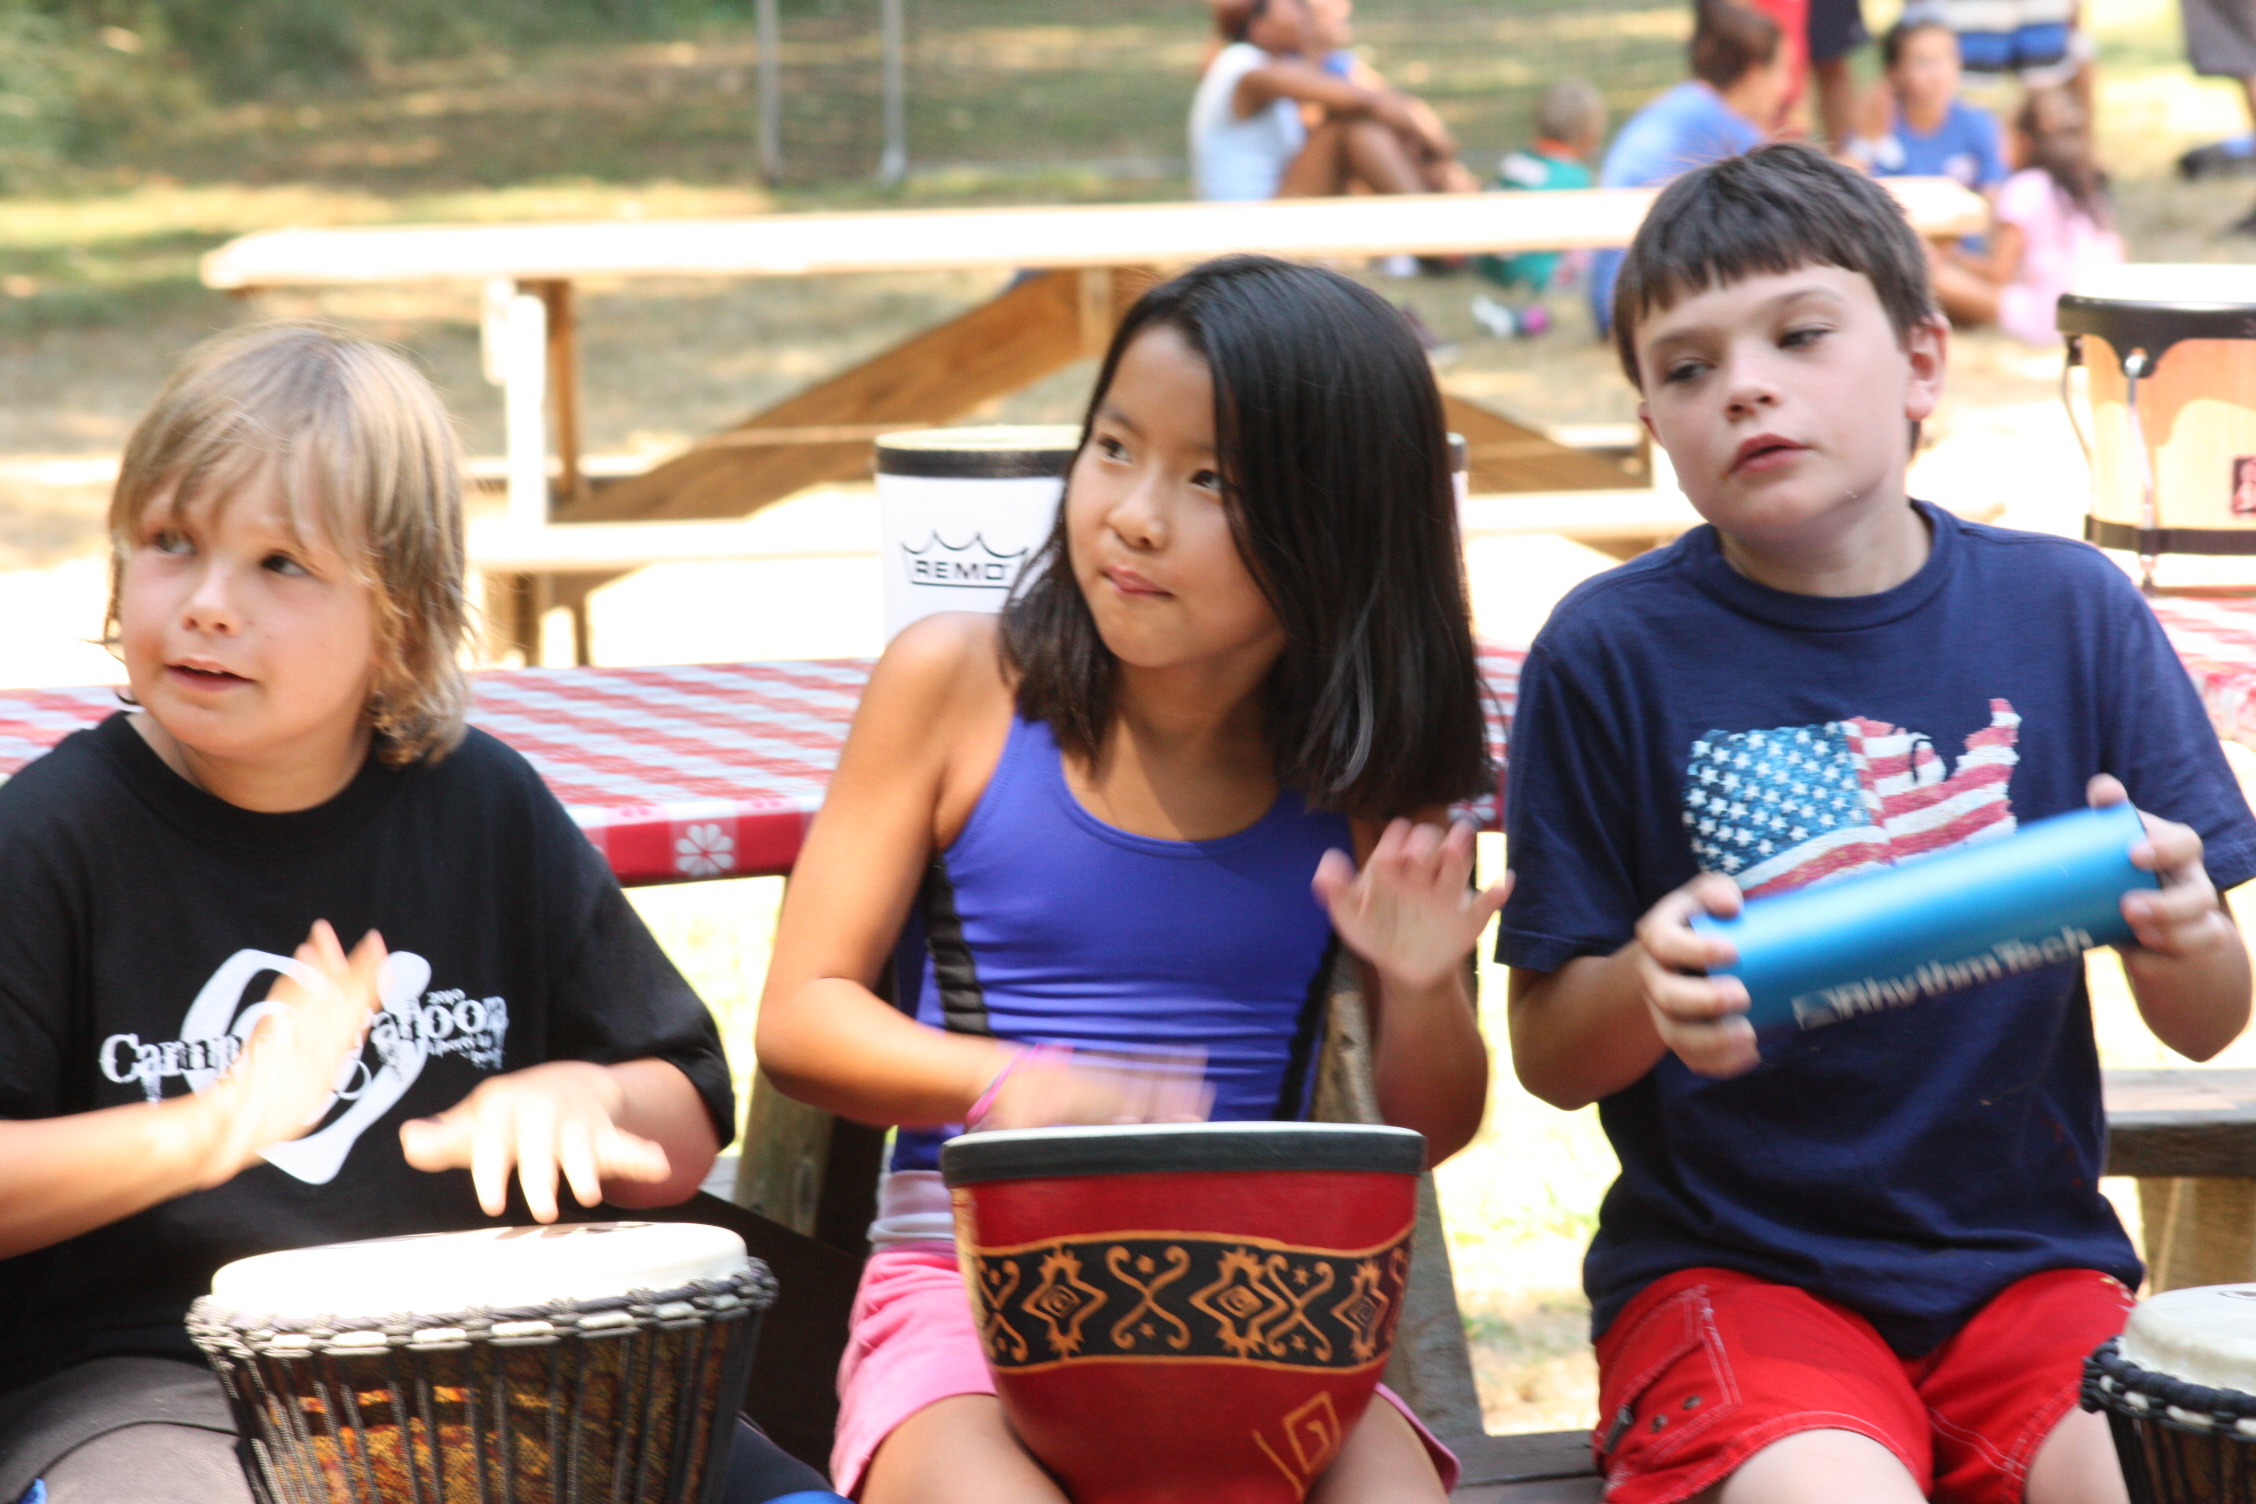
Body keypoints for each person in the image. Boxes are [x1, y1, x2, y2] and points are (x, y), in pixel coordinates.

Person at [1502, 140, 2256, 1504]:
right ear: (1654, 430)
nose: (1744, 383)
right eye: (1686, 368)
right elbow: (1554, 1055)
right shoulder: (1608, 653)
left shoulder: (2068, 613)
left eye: (1798, 334)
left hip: (2026, 1274)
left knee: (2146, 1480)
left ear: (1920, 364)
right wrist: (1651, 988)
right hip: (1732, 1279)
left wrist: (2184, 925)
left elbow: (2209, 1020)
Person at [0, 325, 833, 1504]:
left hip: (512, 1363)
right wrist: (213, 1126)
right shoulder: (51, 836)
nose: (208, 605)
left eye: (280, 563)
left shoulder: (482, 803)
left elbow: (684, 1117)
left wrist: (590, 1096)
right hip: (162, 1387)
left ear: (400, 618)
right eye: (171, 544)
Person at [755, 255, 1506, 1504]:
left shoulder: (1372, 768)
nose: (1134, 513)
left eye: (1211, 479)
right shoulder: (955, 685)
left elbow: (1432, 1129)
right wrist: (1019, 1086)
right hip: (967, 1295)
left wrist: (1424, 989)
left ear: (1341, 525)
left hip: (1257, 1302)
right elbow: (800, 1018)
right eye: (1113, 446)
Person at [1588, 0, 1788, 334]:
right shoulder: (1725, 126)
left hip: (1617, 296)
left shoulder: (1689, 104)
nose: (1785, 89)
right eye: (1783, 71)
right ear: (1754, 73)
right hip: (1636, 306)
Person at [1190, 0, 1470, 201]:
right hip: (1246, 229)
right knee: (1349, 129)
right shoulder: (1246, 66)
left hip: (1271, 209)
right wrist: (1440, 147)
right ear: (1258, 23)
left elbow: (1369, 99)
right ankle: (1435, 239)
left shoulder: (1269, 67)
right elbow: (1367, 101)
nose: (1306, 13)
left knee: (1357, 124)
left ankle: (1439, 228)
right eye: (1296, 4)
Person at [1929, 87, 2122, 344]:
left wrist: (1951, 254)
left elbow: (1999, 273)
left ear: (2022, 141)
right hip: (2102, 316)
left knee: (1933, 274)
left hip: (2050, 317)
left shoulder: (2024, 188)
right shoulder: (2087, 186)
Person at [1477, 80, 1607, 294]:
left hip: (1491, 268)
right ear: (1589, 135)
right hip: (1536, 274)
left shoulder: (1516, 159)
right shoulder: (1574, 176)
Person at [1857, 14, 2007, 196]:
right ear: (1894, 72)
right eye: (1923, 62)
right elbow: (1850, 194)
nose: (1938, 74)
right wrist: (1867, 142)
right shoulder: (1879, 125)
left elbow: (1992, 194)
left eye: (1947, 57)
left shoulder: (1978, 124)